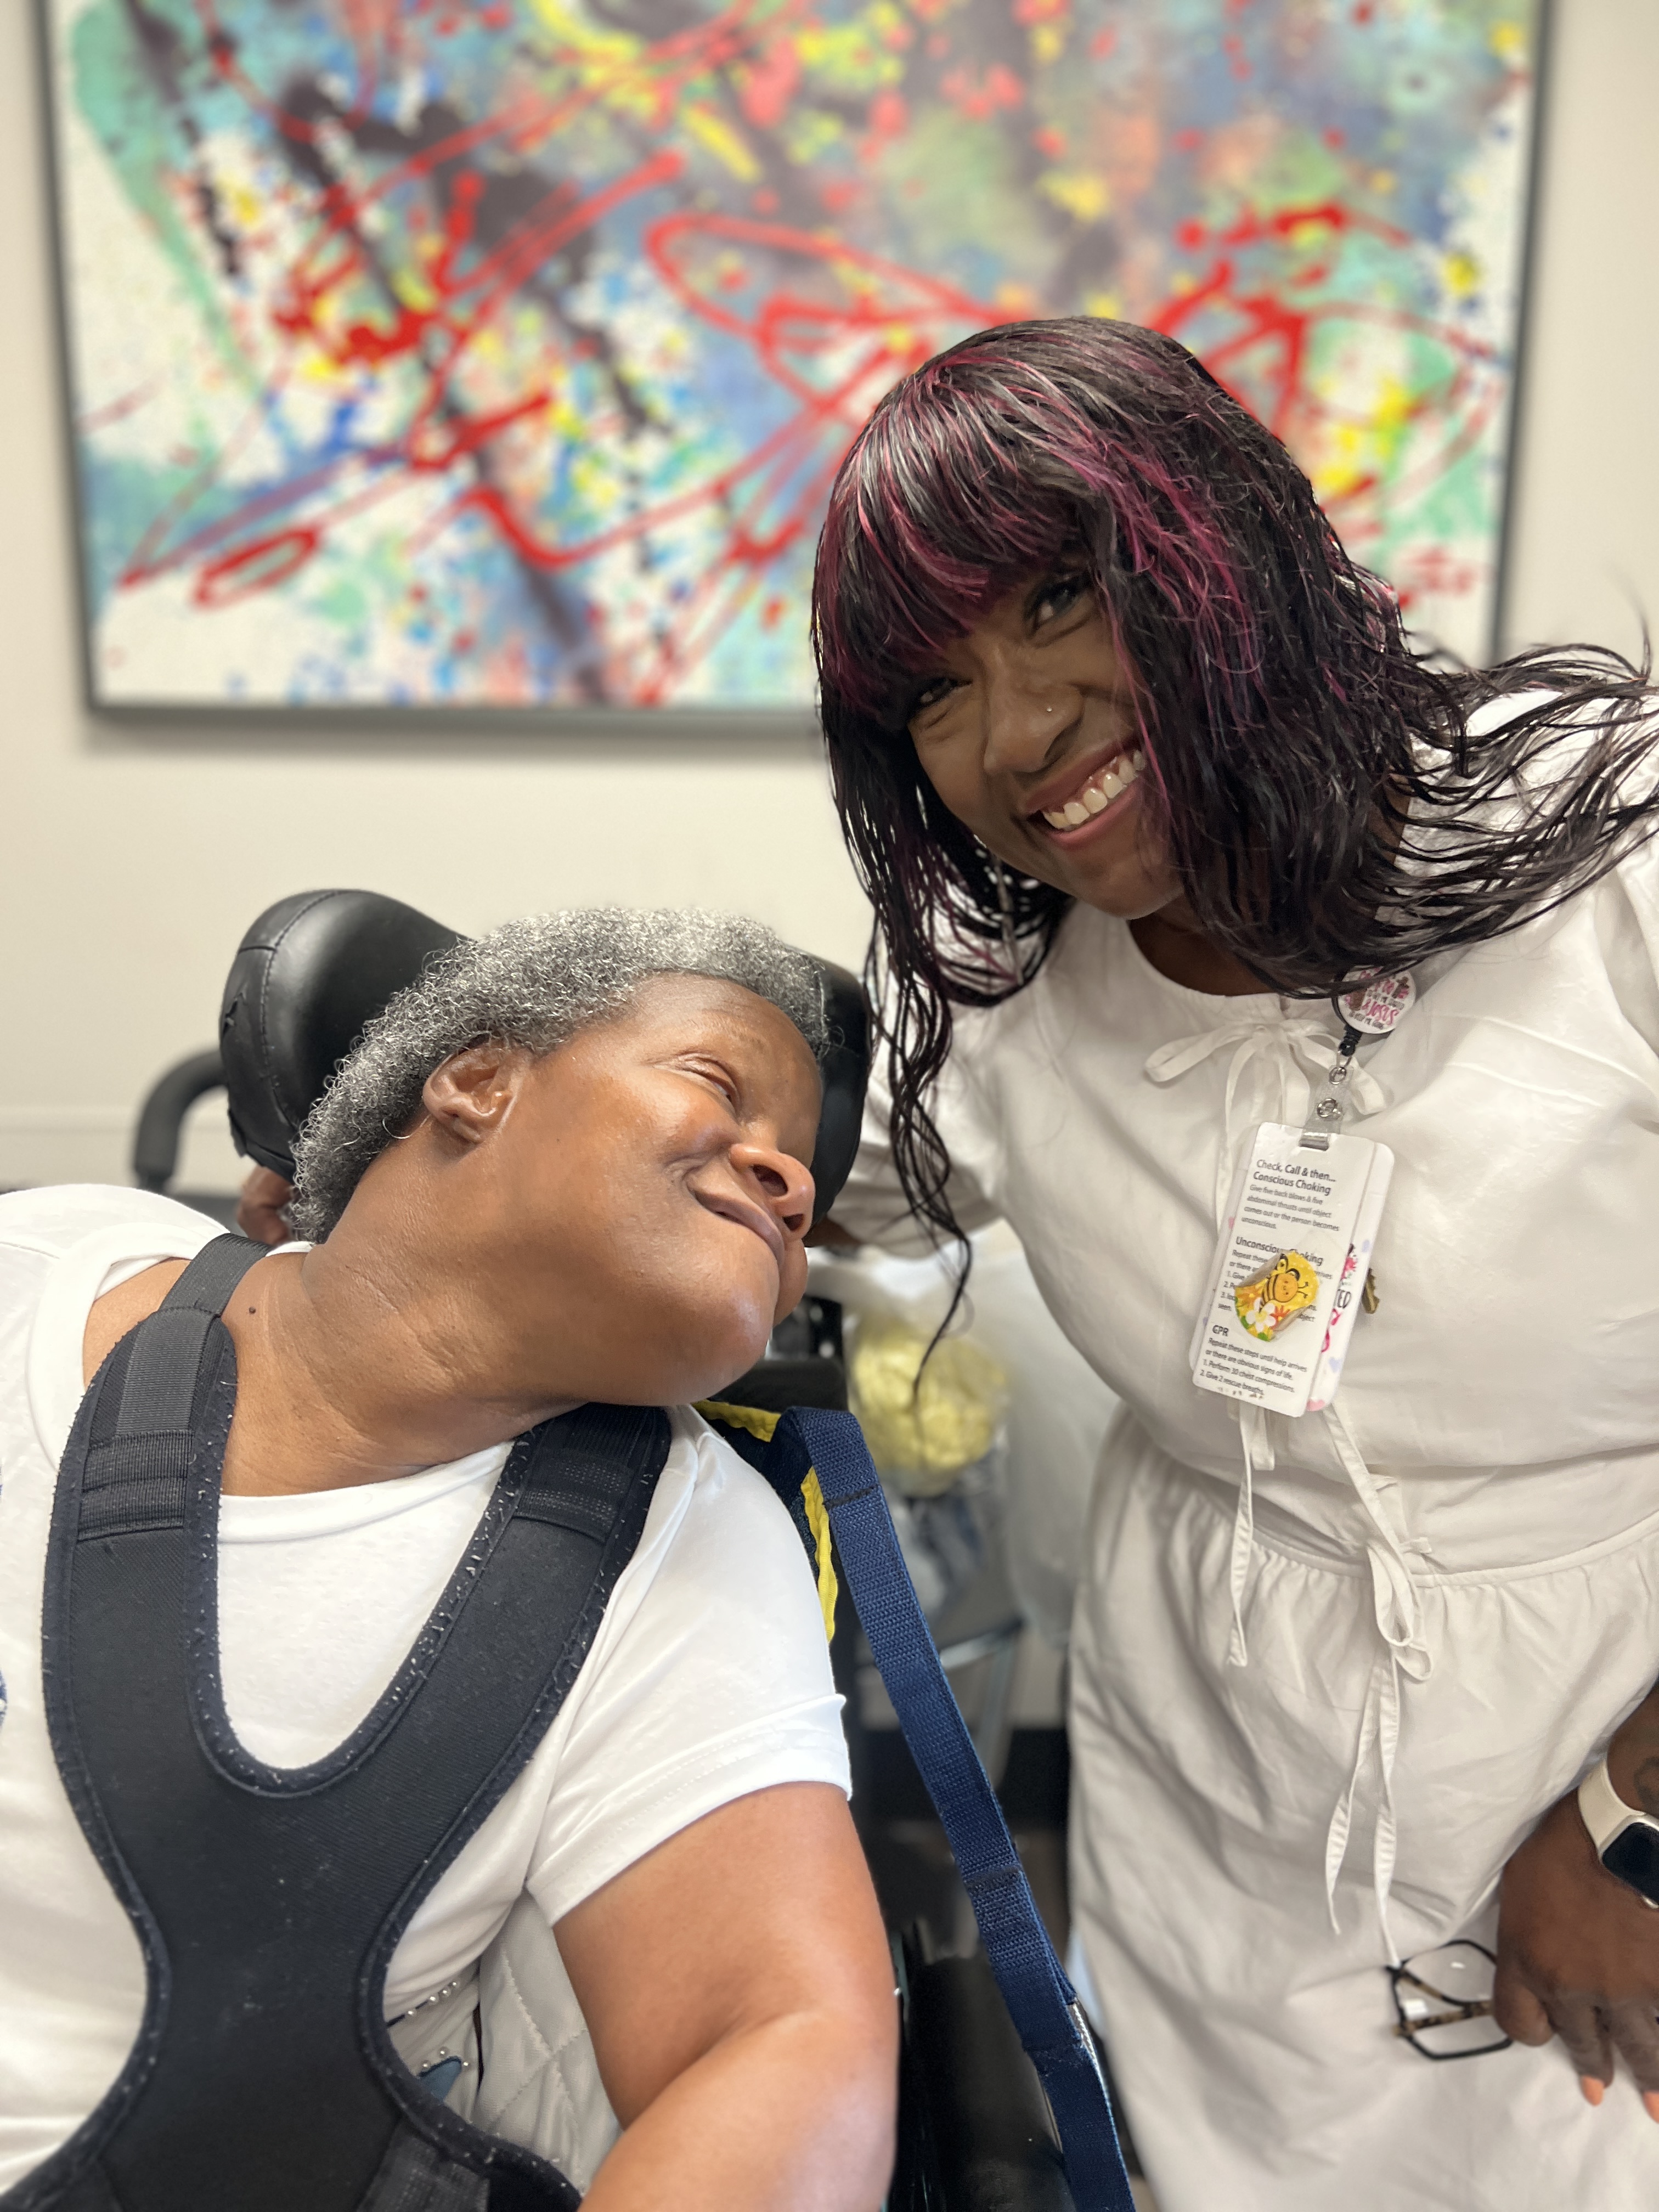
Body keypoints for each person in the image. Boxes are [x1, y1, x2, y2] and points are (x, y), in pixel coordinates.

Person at [809, 317, 1659, 2210]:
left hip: (1605, 1755)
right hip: (1218, 1818)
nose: (1015, 734)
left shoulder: (1608, 856)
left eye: (1055, 597)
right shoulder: (1019, 1022)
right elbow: (766, 1160)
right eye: (934, 694)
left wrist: (1628, 1827)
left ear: (1229, 547)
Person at [0, 910, 896, 2210]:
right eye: (718, 1084)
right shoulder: (42, 1269)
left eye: (803, 1174)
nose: (791, 1181)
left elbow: (780, 2047)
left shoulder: (689, 1544)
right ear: (479, 1080)